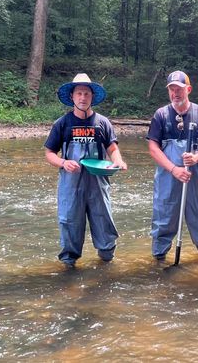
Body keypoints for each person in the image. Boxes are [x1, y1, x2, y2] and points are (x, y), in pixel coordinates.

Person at [45, 73, 128, 268]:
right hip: (70, 186)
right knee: (69, 223)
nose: (83, 98)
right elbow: (49, 153)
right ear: (72, 97)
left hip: (98, 185)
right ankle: (69, 267)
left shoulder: (103, 123)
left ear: (92, 97)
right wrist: (63, 163)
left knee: (104, 224)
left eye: (87, 94)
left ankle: (107, 264)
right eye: (79, 93)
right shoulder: (62, 123)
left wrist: (118, 161)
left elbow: (112, 148)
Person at [147, 70, 198, 260]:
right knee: (163, 220)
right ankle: (159, 262)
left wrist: (197, 157)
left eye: (179, 89)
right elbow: (153, 148)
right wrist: (173, 169)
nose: (175, 93)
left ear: (188, 89)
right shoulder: (161, 115)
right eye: (171, 89)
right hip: (168, 178)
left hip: (196, 178)